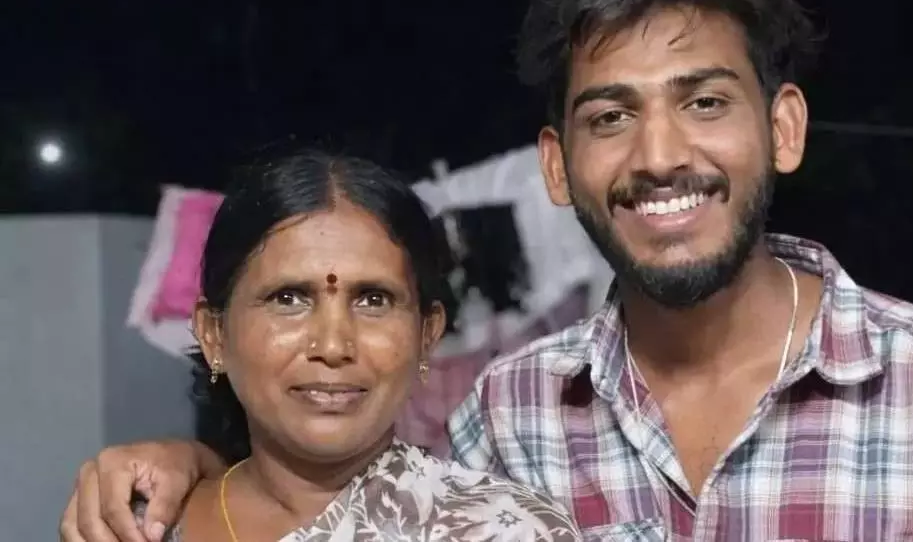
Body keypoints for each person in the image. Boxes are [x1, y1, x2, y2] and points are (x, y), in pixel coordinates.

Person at [62, 0, 913, 541]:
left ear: (782, 128)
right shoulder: (510, 412)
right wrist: (189, 467)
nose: (659, 155)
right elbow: (335, 495)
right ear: (557, 166)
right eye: (610, 116)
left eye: (703, 102)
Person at [60, 149, 581, 541]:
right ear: (214, 334)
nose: (333, 345)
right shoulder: (130, 527)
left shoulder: (501, 531)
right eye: (288, 298)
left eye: (373, 299)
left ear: (426, 335)